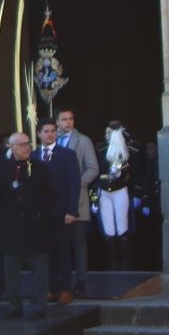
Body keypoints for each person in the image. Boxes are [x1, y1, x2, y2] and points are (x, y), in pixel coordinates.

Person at [0, 133, 54, 320]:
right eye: (21, 144)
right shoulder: (1, 169)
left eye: (28, 144)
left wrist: (42, 214)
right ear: (11, 147)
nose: (26, 148)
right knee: (11, 267)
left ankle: (38, 304)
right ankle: (13, 304)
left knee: (38, 266)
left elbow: (51, 194)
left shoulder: (40, 168)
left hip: (36, 225)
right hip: (12, 226)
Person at [35, 118, 82, 303]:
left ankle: (65, 289)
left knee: (62, 251)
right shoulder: (32, 155)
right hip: (41, 214)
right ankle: (50, 287)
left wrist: (72, 210)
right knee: (45, 252)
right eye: (45, 131)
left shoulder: (67, 155)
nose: (49, 134)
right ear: (39, 134)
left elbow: (74, 184)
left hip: (61, 212)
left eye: (52, 131)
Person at [56, 109, 100, 294]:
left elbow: (92, 168)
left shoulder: (83, 141)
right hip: (57, 201)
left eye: (71, 119)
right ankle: (61, 282)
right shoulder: (53, 140)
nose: (68, 122)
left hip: (78, 199)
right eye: (64, 119)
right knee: (60, 244)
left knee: (78, 242)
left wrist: (76, 183)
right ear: (58, 122)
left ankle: (81, 280)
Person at [94, 121, 145, 270]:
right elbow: (98, 173)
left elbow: (136, 174)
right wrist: (94, 198)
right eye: (106, 133)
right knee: (108, 229)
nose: (106, 136)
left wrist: (137, 194)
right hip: (104, 192)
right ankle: (112, 264)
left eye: (109, 133)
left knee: (122, 226)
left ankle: (126, 264)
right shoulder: (102, 151)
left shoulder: (129, 151)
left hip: (121, 190)